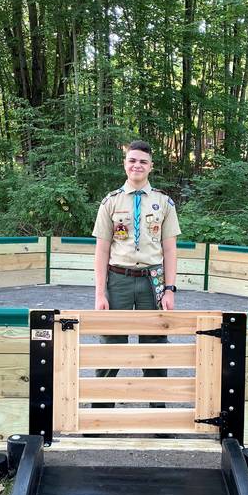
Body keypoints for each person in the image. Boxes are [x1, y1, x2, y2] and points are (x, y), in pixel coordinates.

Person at [91, 140, 181, 408]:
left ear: (151, 166)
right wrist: (99, 293)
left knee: (154, 342)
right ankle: (101, 409)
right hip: (118, 279)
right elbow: (102, 250)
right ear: (125, 164)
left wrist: (170, 288)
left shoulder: (163, 203)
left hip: (152, 281)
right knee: (112, 341)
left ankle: (157, 407)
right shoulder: (111, 202)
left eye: (143, 161)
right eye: (132, 160)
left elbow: (170, 250)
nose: (137, 165)